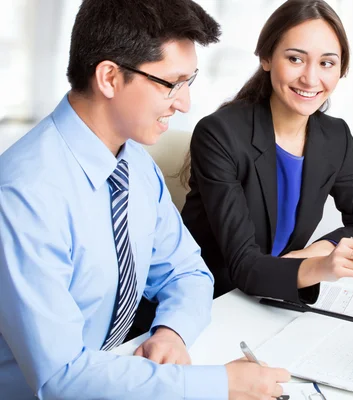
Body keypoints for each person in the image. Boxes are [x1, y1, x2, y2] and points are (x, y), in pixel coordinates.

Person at [0, 1, 289, 399]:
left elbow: (187, 272)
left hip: (120, 376)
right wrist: (218, 385)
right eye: (171, 83)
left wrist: (172, 331)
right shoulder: (25, 194)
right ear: (109, 78)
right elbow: (60, 378)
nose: (184, 102)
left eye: (190, 81)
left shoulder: (134, 164)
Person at [179, 0, 353, 303]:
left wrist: (310, 254)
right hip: (213, 299)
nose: (310, 78)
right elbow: (243, 265)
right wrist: (317, 266)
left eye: (326, 63)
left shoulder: (335, 136)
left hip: (276, 297)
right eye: (295, 59)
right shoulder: (220, 133)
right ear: (266, 57)